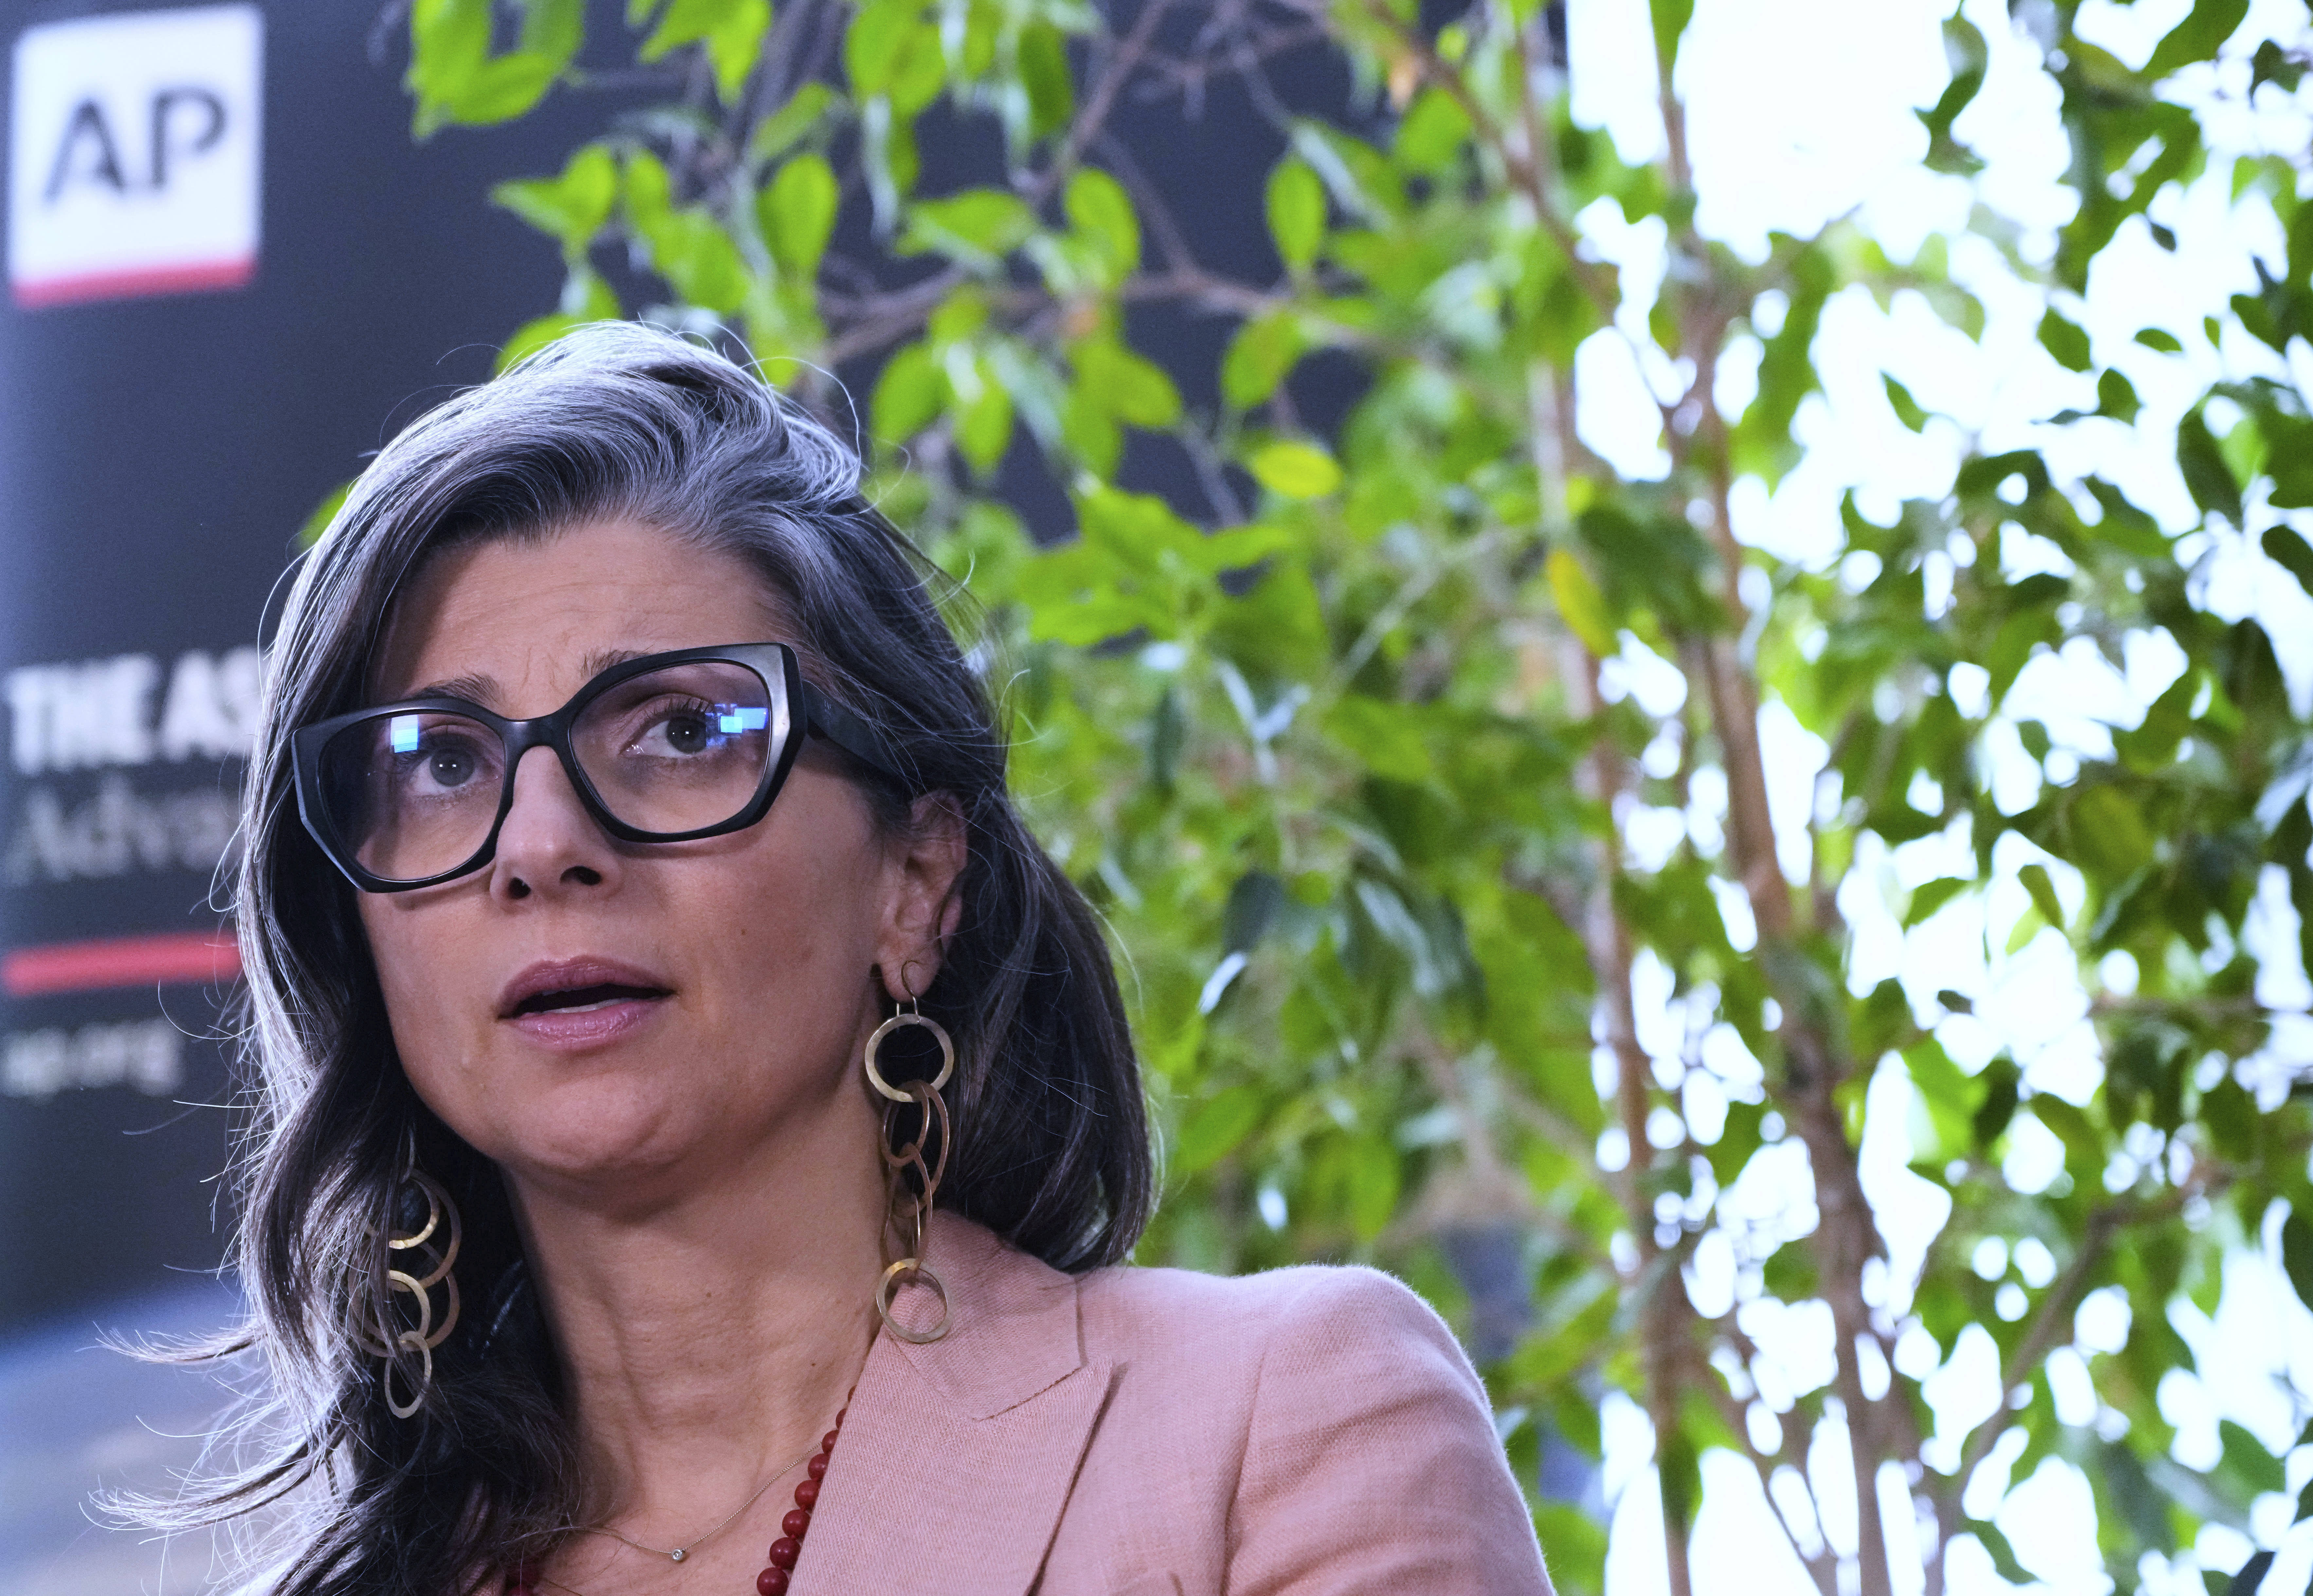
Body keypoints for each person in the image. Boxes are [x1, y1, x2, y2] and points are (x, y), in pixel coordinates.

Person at [175, 322, 1552, 1594]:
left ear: (914, 881)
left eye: (678, 733)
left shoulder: (1283, 1415)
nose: (537, 844)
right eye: (441, 762)